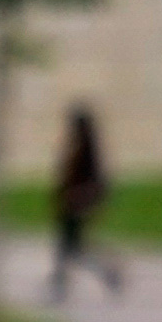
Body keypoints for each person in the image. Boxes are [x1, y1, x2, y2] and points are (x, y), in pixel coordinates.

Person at [52, 105, 117, 301]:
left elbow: (93, 179)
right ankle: (59, 282)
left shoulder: (86, 148)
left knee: (73, 249)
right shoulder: (79, 145)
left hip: (76, 204)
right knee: (68, 247)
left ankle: (105, 273)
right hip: (69, 203)